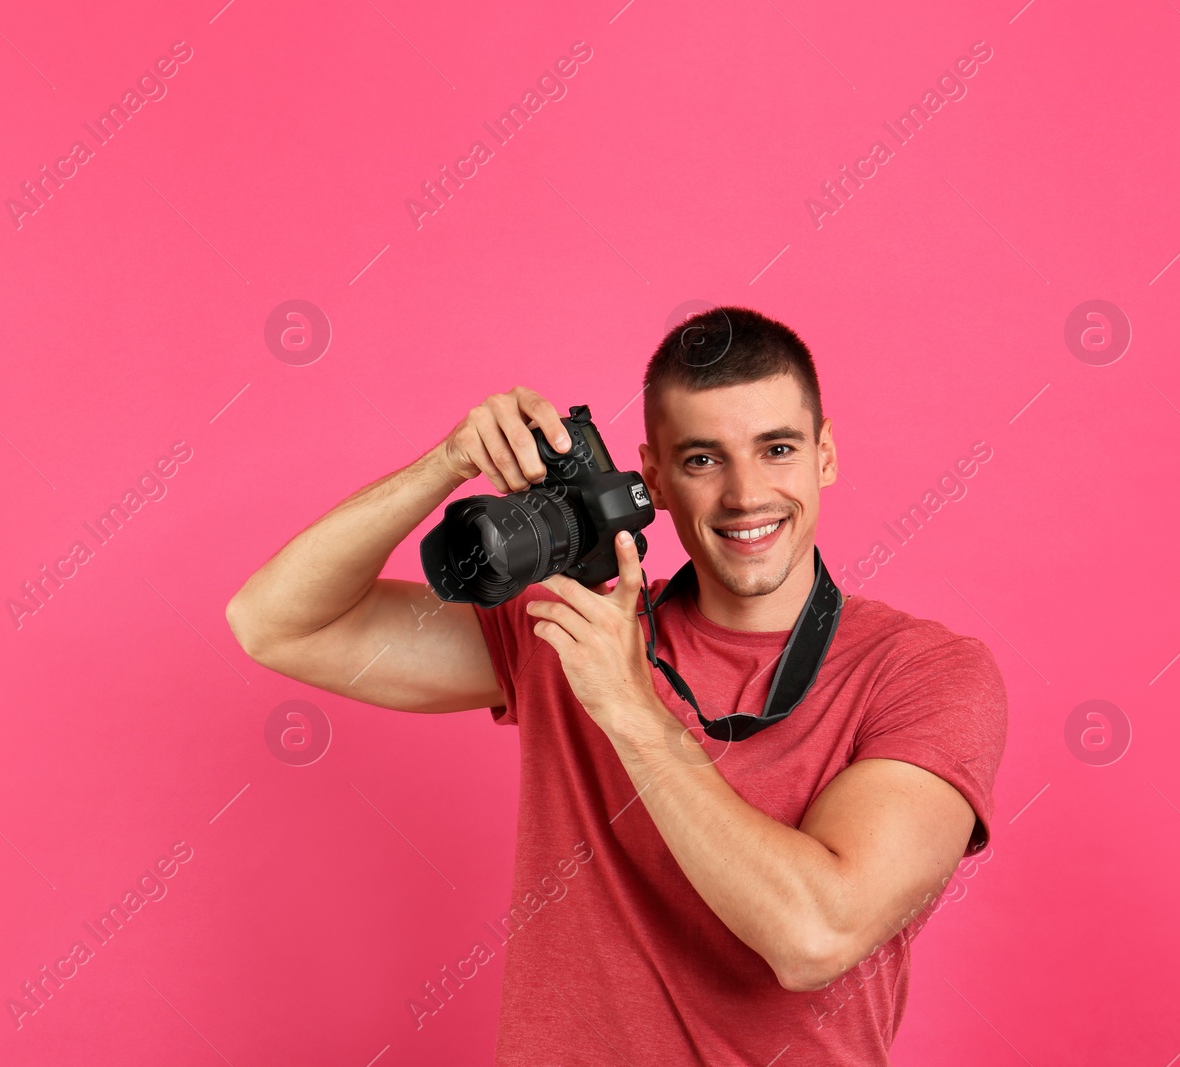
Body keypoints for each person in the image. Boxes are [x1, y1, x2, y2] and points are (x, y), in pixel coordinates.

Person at [225, 306, 1009, 1064]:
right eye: (703, 459)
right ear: (655, 480)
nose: (744, 495)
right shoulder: (577, 626)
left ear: (825, 453)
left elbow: (813, 936)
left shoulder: (924, 672)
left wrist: (631, 710)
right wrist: (446, 464)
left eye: (776, 449)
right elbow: (277, 623)